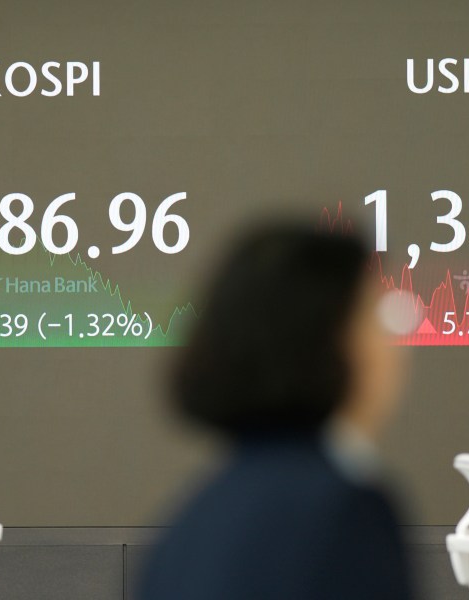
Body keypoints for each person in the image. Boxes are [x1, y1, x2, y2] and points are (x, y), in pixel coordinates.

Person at [135, 224, 414, 600]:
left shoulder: (190, 521)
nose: (395, 345)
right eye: (376, 316)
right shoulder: (342, 513)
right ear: (334, 340)